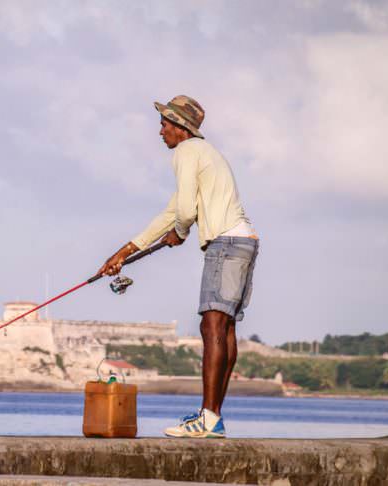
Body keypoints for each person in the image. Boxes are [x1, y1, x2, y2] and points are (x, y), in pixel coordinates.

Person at [97, 95, 259, 438]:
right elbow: (173, 212)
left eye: (164, 124)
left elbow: (183, 214)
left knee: (212, 326)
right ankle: (212, 418)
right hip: (243, 241)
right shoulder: (205, 154)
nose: (160, 132)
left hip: (225, 243)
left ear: (181, 128)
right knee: (224, 328)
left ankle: (208, 417)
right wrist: (123, 253)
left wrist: (182, 232)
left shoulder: (186, 152)